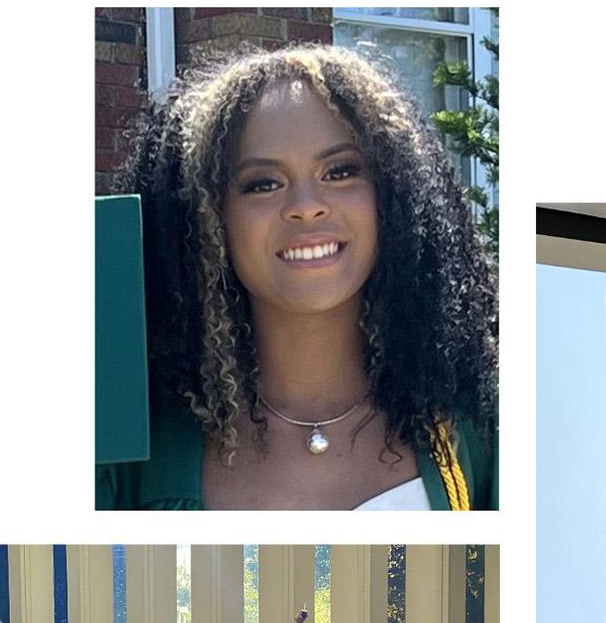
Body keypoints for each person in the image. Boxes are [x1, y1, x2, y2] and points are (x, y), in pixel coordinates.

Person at [97, 44, 497, 511]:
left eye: (341, 171)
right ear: (205, 216)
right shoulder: (126, 452)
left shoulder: (483, 431)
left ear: (397, 195)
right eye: (262, 183)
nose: (307, 205)